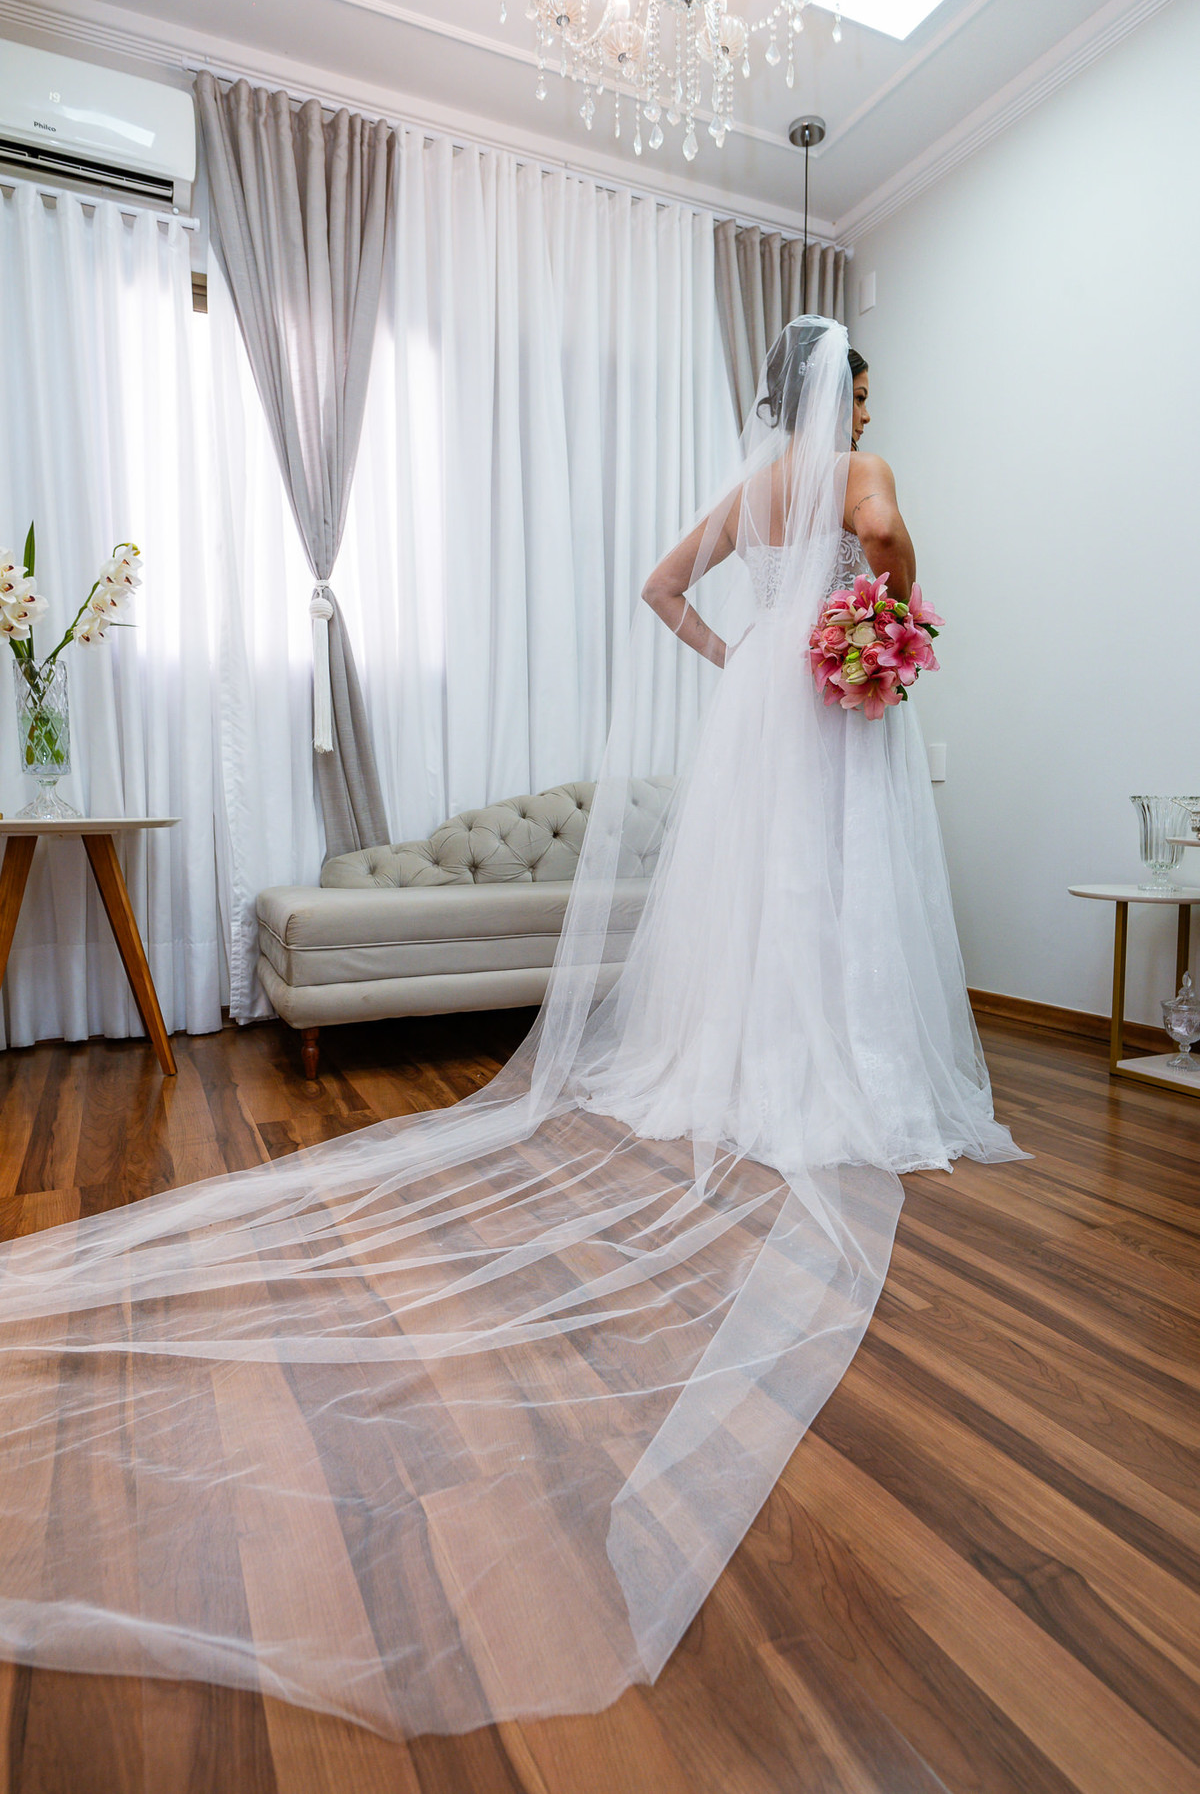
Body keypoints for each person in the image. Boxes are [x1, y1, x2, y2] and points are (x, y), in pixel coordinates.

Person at [0, 317, 1022, 1742]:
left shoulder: (750, 493)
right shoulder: (861, 470)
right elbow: (891, 539)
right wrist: (892, 604)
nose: (862, 407)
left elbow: (661, 589)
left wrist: (741, 648)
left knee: (763, 901)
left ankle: (746, 1060)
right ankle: (844, 1064)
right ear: (836, 389)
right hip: (836, 708)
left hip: (764, 712)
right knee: (841, 896)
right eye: (857, 388)